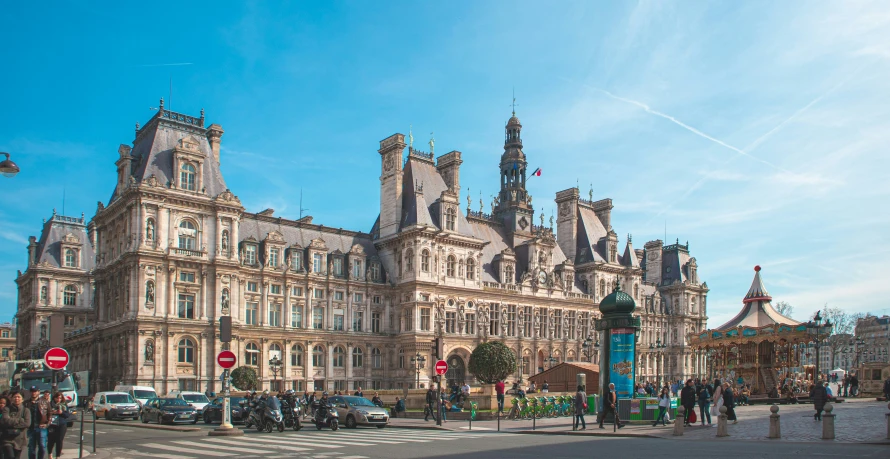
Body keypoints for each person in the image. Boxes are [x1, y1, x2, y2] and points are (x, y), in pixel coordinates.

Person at [1, 392, 31, 459]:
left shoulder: (26, 410)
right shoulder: (6, 409)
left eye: (18, 397)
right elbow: (5, 421)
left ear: (22, 399)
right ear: (11, 398)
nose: (16, 398)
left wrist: (11, 422)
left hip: (20, 438)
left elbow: (27, 423)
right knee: (10, 456)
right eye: (15, 397)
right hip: (7, 438)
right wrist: (20, 420)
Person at [23, 386, 48, 459]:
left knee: (42, 446)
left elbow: (49, 413)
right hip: (31, 427)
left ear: (39, 392)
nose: (33, 393)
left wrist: (47, 424)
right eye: (32, 391)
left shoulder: (44, 402)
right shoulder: (26, 403)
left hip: (41, 427)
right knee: (31, 447)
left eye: (35, 391)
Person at [47, 392, 70, 459]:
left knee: (59, 440)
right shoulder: (50, 404)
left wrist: (61, 412)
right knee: (51, 440)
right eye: (57, 398)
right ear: (54, 398)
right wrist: (52, 412)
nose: (58, 399)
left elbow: (67, 415)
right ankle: (50, 454)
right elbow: (45, 413)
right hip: (52, 424)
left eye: (60, 398)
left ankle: (58, 456)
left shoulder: (64, 405)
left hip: (61, 424)